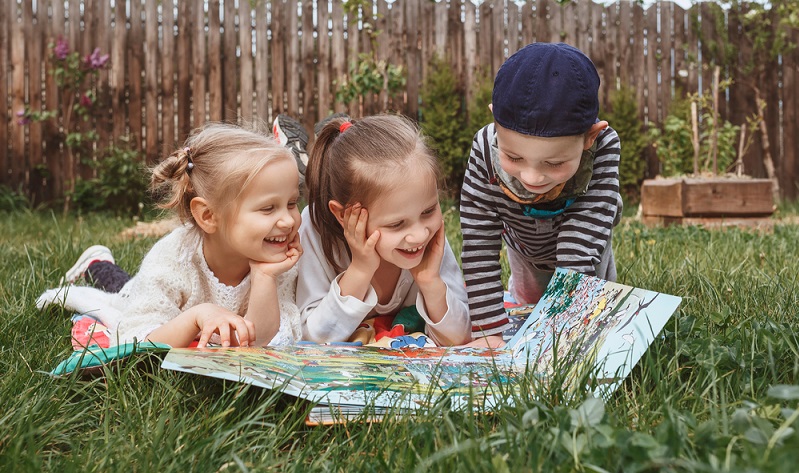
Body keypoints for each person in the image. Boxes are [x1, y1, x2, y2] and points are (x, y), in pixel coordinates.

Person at [37, 122, 303, 348]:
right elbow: (136, 338)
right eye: (268, 208)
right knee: (118, 288)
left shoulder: (277, 264)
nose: (289, 220)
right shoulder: (172, 259)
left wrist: (264, 278)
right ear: (209, 216)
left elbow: (263, 341)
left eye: (292, 203)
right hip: (139, 294)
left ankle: (100, 264)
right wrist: (196, 317)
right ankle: (97, 264)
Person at [460, 42, 623, 337]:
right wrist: (488, 333)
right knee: (528, 305)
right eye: (514, 158)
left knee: (592, 318)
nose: (532, 177)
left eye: (554, 162)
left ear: (590, 137)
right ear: (495, 122)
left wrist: (564, 333)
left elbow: (581, 245)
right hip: (522, 238)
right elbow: (478, 242)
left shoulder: (604, 147)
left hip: (584, 242)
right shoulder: (485, 148)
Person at [296, 114, 472, 346]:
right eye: (396, 224)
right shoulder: (316, 228)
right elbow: (313, 339)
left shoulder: (428, 237)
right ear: (342, 215)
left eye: (428, 211)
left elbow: (460, 337)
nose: (419, 234)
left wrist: (430, 282)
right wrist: (359, 270)